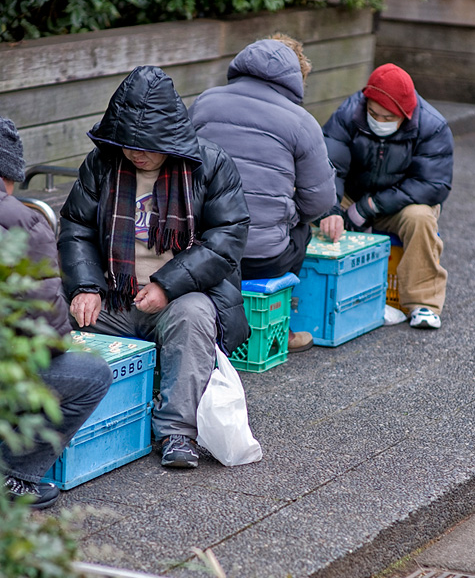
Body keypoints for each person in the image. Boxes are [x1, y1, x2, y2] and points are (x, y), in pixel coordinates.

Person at [58, 65, 250, 470]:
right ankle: (64, 424)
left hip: (176, 296)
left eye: (146, 143)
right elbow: (75, 226)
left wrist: (167, 285)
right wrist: (85, 286)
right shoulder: (103, 162)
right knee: (57, 315)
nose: (135, 151)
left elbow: (226, 240)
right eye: (126, 142)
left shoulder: (209, 164)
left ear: (172, 138)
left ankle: (177, 431)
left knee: (195, 315)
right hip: (113, 292)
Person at [188, 34, 336, 353]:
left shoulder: (204, 101)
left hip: (198, 250)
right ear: (296, 77)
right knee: (301, 231)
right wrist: (288, 214)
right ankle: (283, 325)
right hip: (261, 259)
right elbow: (320, 202)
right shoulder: (302, 123)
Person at [0, 117, 113, 510]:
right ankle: (15, 475)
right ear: (10, 174)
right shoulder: (26, 221)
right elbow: (46, 337)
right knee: (93, 374)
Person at [319, 63, 454, 329]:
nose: (379, 121)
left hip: (400, 203)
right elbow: (328, 166)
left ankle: (423, 303)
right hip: (351, 194)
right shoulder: (347, 114)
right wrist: (331, 210)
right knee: (313, 210)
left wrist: (369, 207)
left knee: (422, 219)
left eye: (388, 117)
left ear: (405, 113)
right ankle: (324, 295)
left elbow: (433, 184)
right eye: (373, 114)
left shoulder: (433, 126)